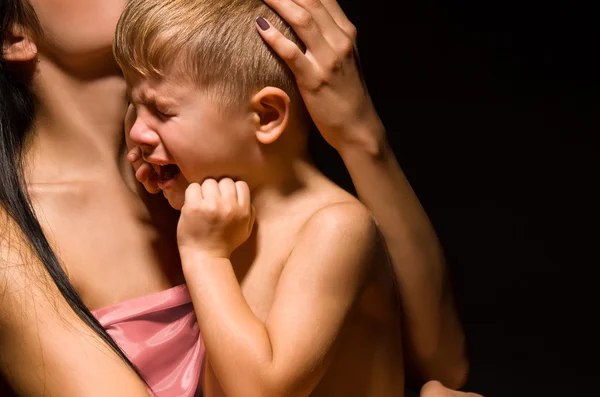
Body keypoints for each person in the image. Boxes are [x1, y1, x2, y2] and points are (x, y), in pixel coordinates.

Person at [0, 0, 467, 395]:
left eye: (161, 110)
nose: (144, 129)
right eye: (147, 110)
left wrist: (360, 135)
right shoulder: (11, 239)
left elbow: (442, 372)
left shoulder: (229, 155)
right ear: (12, 34)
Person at [116, 0, 404, 395]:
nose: (136, 133)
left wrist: (205, 258)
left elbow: (261, 391)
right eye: (134, 106)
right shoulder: (223, 216)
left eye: (162, 111)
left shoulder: (335, 226)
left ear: (266, 116)